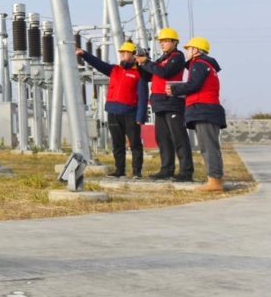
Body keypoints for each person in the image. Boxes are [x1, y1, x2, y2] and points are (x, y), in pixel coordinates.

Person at [77, 41, 148, 178]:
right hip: (113, 112)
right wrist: (84, 54)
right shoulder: (114, 70)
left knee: (135, 144)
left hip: (130, 113)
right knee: (117, 144)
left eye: (126, 52)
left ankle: (136, 172)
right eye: (121, 52)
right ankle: (119, 170)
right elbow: (98, 63)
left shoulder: (139, 74)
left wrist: (141, 116)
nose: (122, 54)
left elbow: (143, 97)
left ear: (134, 55)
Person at [166, 37, 226, 193]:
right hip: (206, 109)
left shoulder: (199, 64)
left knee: (208, 147)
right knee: (208, 146)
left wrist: (175, 90)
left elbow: (194, 85)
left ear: (196, 50)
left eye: (188, 49)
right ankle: (214, 179)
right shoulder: (205, 65)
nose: (186, 52)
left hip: (204, 109)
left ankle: (215, 181)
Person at [135, 28, 194, 182]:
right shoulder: (161, 59)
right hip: (159, 101)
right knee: (162, 138)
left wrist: (147, 62)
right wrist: (141, 64)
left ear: (175, 42)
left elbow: (165, 73)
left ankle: (186, 171)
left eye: (165, 41)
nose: (162, 43)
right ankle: (166, 169)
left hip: (172, 101)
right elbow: (148, 76)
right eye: (160, 41)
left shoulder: (177, 57)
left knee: (178, 137)